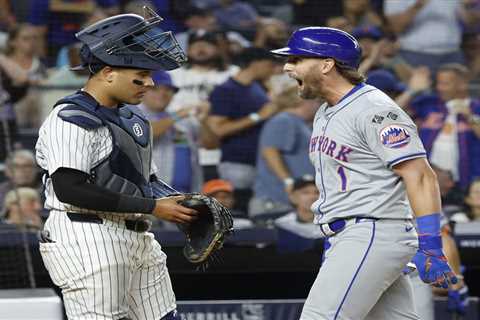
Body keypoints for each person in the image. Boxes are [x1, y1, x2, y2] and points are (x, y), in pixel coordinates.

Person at [271, 27, 458, 320]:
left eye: (296, 59)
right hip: (355, 234)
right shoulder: (326, 111)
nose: (287, 66)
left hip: (371, 231)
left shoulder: (375, 109)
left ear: (326, 64)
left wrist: (431, 244)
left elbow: (420, 175)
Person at [35, 9, 197, 320]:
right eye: (141, 75)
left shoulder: (134, 118)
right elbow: (69, 188)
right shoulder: (71, 118)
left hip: (136, 234)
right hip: (86, 235)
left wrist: (183, 206)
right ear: (108, 72)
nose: (149, 83)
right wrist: (153, 207)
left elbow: (144, 180)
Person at [250, 86, 317, 217]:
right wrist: (288, 181)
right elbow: (270, 152)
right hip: (275, 200)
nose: (320, 106)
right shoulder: (283, 120)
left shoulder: (299, 122)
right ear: (303, 101)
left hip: (289, 202)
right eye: (317, 101)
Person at [411, 63, 480, 189]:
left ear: (462, 84)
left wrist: (470, 117)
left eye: (445, 84)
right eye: (438, 83)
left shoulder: (476, 108)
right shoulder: (428, 104)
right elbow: (390, 113)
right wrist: (411, 90)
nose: (439, 88)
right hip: (427, 179)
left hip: (466, 183)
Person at [274, 176, 323, 253]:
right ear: (293, 197)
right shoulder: (281, 225)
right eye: (305, 192)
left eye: (317, 192)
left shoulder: (333, 222)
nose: (312, 197)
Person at [0, 149, 41, 215]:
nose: (22, 170)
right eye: (16, 166)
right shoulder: (1, 192)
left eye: (27, 166)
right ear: (7, 171)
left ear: (36, 169)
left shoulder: (47, 191)